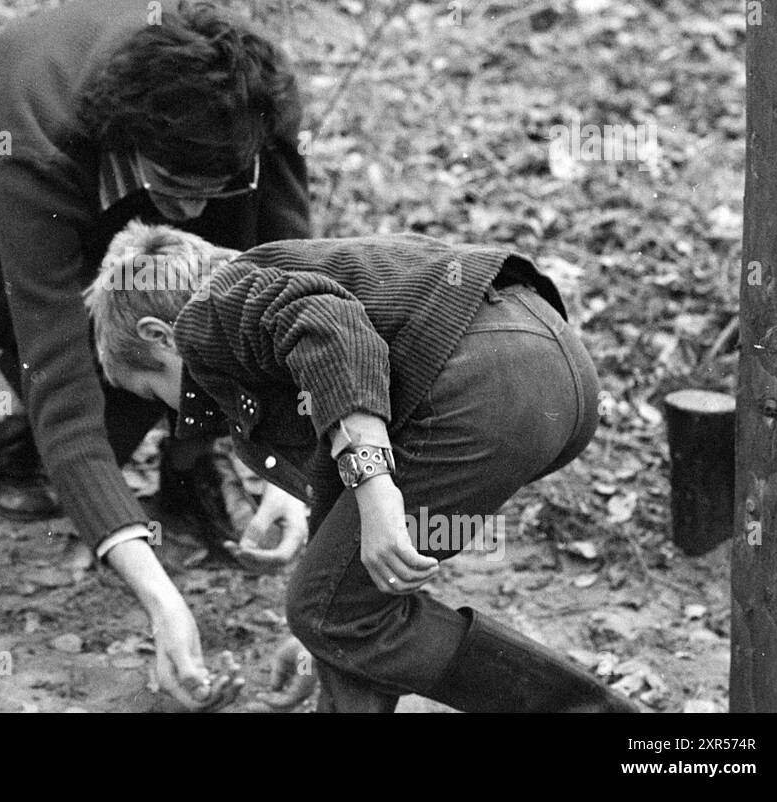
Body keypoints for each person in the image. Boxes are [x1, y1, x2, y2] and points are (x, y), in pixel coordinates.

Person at [0, 0, 311, 708]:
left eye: (215, 188)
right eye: (177, 187)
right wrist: (163, 603)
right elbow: (66, 388)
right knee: (113, 390)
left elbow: (291, 293)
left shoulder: (252, 107)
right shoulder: (34, 145)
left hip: (133, 217)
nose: (197, 212)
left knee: (223, 303)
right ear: (128, 145)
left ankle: (189, 470)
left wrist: (289, 475)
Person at [84, 220, 640, 712]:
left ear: (160, 336)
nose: (171, 410)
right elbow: (340, 564)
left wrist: (375, 488)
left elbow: (329, 327)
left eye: (153, 388)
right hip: (553, 371)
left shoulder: (214, 304)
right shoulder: (259, 306)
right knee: (340, 609)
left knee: (330, 610)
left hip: (483, 377)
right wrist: (320, 640)